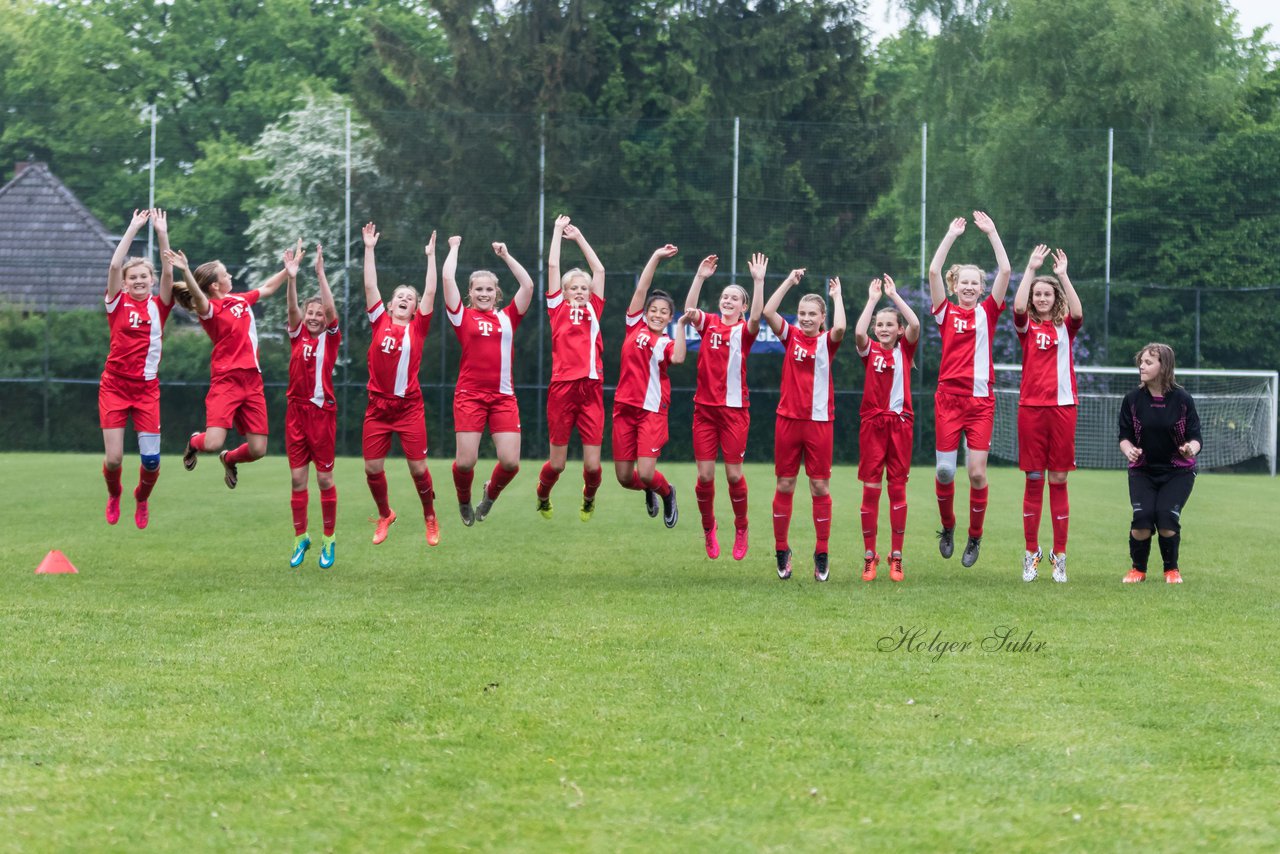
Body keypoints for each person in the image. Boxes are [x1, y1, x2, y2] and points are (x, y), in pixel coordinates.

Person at [171, 242, 297, 489]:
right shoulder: (209, 309)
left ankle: (229, 459)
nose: (230, 276)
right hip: (226, 380)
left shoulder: (239, 300)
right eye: (226, 273)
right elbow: (198, 295)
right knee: (212, 442)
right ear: (215, 285)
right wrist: (186, 270)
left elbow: (269, 288)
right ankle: (195, 441)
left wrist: (288, 269)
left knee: (258, 449)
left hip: (252, 380)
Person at [927, 211, 1012, 567]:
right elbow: (932, 271)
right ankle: (948, 527)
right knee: (945, 472)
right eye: (963, 281)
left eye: (975, 283)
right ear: (954, 285)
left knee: (977, 473)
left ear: (981, 287)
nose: (969, 287)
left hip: (980, 401)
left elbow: (1006, 271)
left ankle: (974, 536)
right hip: (948, 399)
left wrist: (993, 232)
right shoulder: (944, 311)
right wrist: (950, 235)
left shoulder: (988, 312)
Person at [442, 235, 535, 524]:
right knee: (466, 462)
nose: (484, 293)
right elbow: (447, 278)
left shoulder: (508, 317)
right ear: (470, 293)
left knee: (510, 462)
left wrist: (506, 256)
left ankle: (489, 495)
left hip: (503, 398)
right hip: (469, 396)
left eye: (489, 289)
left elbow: (528, 286)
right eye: (478, 289)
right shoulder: (462, 317)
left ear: (497, 293)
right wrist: (454, 247)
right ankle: (463, 500)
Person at [762, 269, 847, 582]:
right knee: (785, 485)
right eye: (802, 313)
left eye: (812, 314)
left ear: (821, 316)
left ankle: (821, 552)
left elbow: (840, 327)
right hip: (788, 421)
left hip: (820, 423)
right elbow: (768, 311)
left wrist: (837, 297)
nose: (806, 319)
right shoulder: (791, 336)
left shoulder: (828, 341)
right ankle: (782, 549)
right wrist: (788, 282)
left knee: (819, 486)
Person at [360, 223, 440, 546]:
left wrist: (431, 257)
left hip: (408, 406)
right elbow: (369, 285)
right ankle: (385, 514)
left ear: (415, 306)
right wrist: (369, 249)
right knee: (372, 467)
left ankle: (430, 517)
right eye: (400, 297)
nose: (405, 299)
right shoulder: (379, 320)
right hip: (378, 407)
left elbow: (431, 291)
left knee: (418, 468)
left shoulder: (418, 328)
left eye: (410, 297)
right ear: (390, 305)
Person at [681, 251, 765, 560]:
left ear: (742, 307)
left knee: (732, 475)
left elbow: (757, 317)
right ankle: (708, 528)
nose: (728, 300)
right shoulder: (710, 324)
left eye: (734, 298)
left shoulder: (743, 332)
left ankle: (741, 527)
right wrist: (701, 277)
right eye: (725, 296)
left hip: (734, 412)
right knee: (704, 476)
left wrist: (757, 282)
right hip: (704, 411)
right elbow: (690, 310)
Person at [1013, 245, 1083, 583]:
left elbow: (1079, 312)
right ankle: (1031, 552)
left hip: (1063, 409)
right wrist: (1030, 269)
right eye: (1036, 294)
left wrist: (1062, 276)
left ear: (1055, 298)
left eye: (1046, 293)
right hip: (1031, 410)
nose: (1041, 298)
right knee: (1033, 479)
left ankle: (1060, 554)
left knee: (1058, 478)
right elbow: (1015, 306)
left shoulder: (1065, 326)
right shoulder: (1025, 327)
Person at [100, 208, 173, 529]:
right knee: (114, 459)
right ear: (126, 284)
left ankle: (141, 499)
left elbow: (170, 273)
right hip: (115, 387)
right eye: (134, 277)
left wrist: (161, 232)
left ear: (152, 280)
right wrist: (133, 227)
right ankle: (114, 494)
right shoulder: (117, 303)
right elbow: (116, 264)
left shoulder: (160, 305)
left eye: (145, 276)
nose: (139, 280)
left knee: (152, 461)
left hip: (146, 390)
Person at [535, 215, 606, 521]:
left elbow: (599, 269)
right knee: (558, 465)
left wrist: (578, 237)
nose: (579, 291)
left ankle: (588, 499)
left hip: (590, 389)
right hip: (563, 388)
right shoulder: (557, 309)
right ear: (563, 292)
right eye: (573, 287)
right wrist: (555, 231)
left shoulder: (595, 308)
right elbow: (552, 267)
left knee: (592, 466)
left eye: (583, 288)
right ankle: (543, 495)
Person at [853, 274, 920, 582]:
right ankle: (870, 556)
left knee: (897, 490)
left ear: (899, 330)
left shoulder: (904, 350)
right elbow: (857, 333)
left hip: (900, 426)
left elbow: (916, 324)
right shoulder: (870, 351)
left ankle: (897, 556)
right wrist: (871, 301)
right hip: (872, 426)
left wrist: (894, 298)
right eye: (879, 325)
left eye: (889, 324)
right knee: (870, 491)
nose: (883, 329)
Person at [613, 244, 685, 527]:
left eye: (663, 312)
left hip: (651, 412)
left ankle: (666, 493)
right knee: (623, 478)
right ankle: (650, 488)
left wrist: (680, 328)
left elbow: (678, 358)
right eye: (653, 310)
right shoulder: (634, 325)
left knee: (645, 472)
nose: (656, 313)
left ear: (669, 317)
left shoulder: (666, 342)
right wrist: (655, 256)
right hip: (624, 409)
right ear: (645, 313)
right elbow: (642, 289)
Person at [1119, 343, 1202, 584]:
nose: (1141, 367)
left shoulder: (1183, 399)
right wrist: (1129, 450)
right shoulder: (1132, 400)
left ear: (1163, 366)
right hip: (1142, 471)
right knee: (1142, 518)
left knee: (1166, 518)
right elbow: (1124, 436)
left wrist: (1189, 449)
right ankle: (1138, 570)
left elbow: (1196, 438)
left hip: (1178, 471)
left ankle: (1171, 570)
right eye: (1141, 362)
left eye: (1148, 362)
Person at [284, 243, 341, 569]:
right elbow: (292, 310)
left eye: (319, 314)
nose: (316, 317)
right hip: (295, 413)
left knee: (324, 481)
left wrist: (320, 274)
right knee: (297, 481)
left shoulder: (330, 338)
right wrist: (292, 278)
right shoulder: (297, 334)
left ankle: (328, 540)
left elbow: (332, 312)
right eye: (311, 313)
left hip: (321, 414)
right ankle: (300, 537)